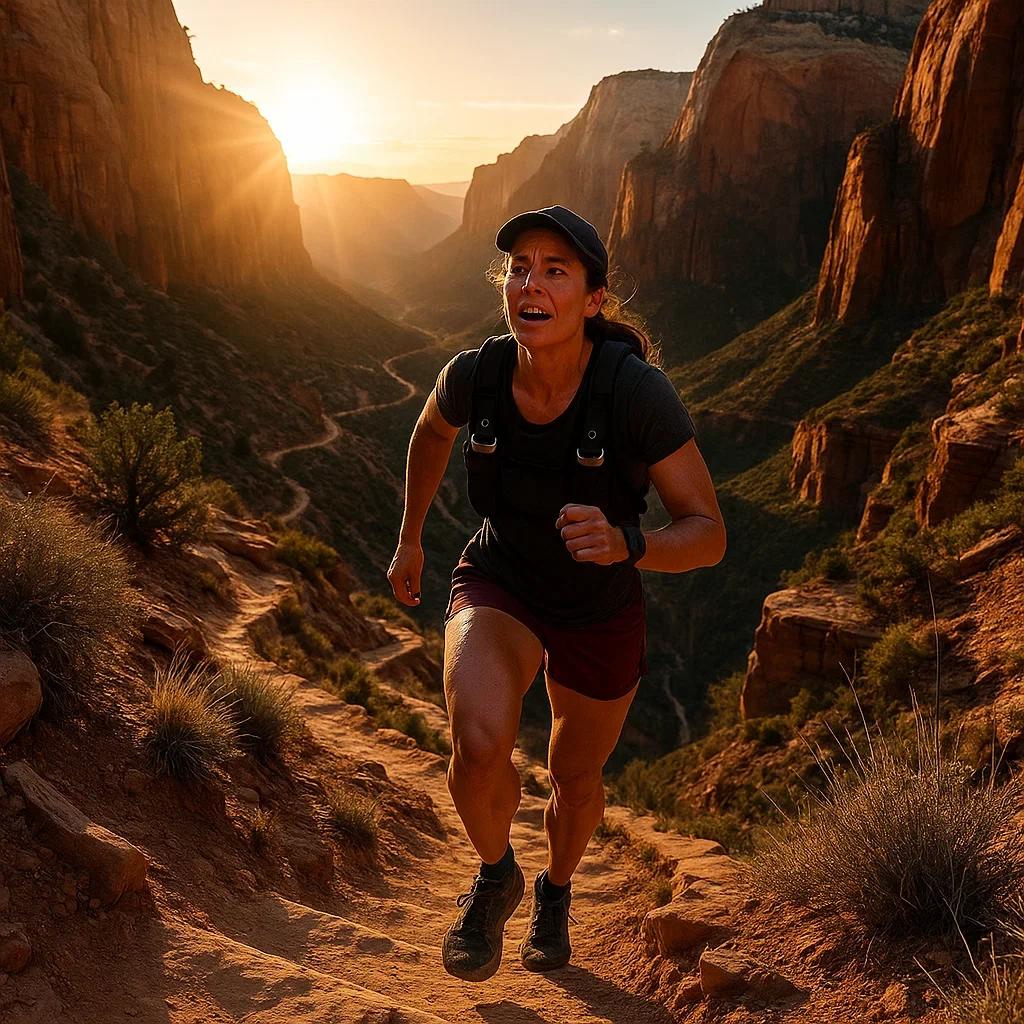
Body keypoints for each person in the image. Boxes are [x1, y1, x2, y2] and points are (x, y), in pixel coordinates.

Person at [387, 205, 725, 982]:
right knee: (476, 747)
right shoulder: (476, 374)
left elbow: (708, 532)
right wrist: (410, 536)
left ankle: (556, 891)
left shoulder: (635, 394)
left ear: (593, 299)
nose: (529, 284)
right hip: (501, 579)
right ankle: (497, 872)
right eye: (519, 268)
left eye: (555, 271)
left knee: (574, 781)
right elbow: (430, 432)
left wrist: (627, 544)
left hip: (599, 609)